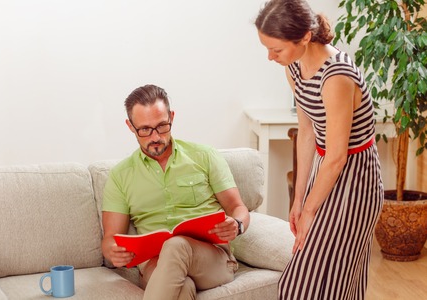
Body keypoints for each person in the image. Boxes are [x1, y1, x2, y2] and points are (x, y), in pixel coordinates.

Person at [255, 1, 383, 299]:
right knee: (329, 283)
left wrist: (311, 210)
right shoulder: (296, 69)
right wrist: (299, 199)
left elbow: (338, 156)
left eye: (276, 49)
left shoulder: (337, 76)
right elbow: (307, 132)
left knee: (306, 285)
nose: (270, 57)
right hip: (324, 172)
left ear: (304, 37)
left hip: (356, 181)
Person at [101, 84, 250, 300]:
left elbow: (238, 207)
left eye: (162, 126)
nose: (155, 137)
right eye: (144, 129)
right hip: (156, 264)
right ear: (130, 126)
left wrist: (237, 224)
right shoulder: (120, 176)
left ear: (172, 117)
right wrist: (113, 251)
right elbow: (110, 239)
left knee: (176, 245)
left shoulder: (204, 156)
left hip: (211, 260)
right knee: (182, 289)